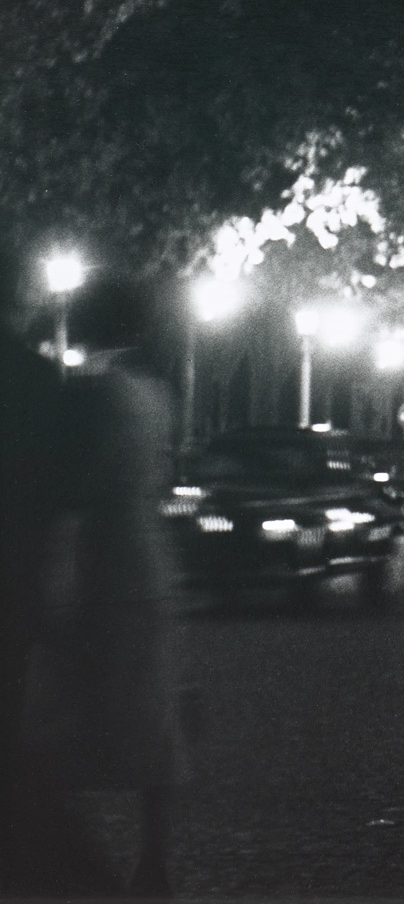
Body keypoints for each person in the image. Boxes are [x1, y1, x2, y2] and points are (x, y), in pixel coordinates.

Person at [5, 271, 188, 897]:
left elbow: (73, 491)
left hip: (98, 567)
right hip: (148, 561)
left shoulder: (92, 395)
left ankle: (64, 860)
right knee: (151, 724)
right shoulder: (154, 393)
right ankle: (154, 859)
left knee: (55, 724)